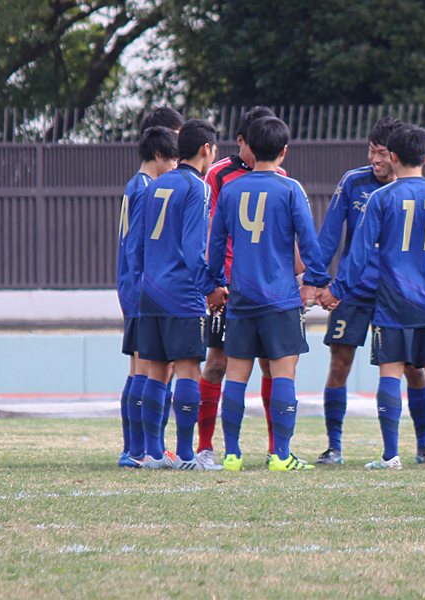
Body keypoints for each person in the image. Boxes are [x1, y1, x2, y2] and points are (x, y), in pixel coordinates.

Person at [319, 125, 425, 470]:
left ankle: (391, 455)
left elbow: (358, 254)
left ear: (396, 157)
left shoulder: (381, 198)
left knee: (390, 373)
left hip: (392, 299)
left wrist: (335, 289)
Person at [208, 116, 330, 471]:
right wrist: (318, 280)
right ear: (283, 150)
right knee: (283, 376)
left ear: (249, 147)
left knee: (235, 377)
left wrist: (214, 283)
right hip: (280, 298)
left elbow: (216, 244)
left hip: (241, 297)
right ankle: (280, 455)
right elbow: (308, 242)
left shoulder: (230, 190)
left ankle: (231, 455)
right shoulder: (290, 189)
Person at [196, 106, 299, 469]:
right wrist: (215, 283)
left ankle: (276, 449)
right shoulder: (219, 175)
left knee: (272, 367)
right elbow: (209, 232)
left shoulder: (281, 177)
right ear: (241, 141)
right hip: (229, 288)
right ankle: (206, 446)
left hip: (268, 289)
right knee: (217, 363)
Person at [138, 118, 228, 470]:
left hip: (151, 290)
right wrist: (210, 287)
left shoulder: (155, 184)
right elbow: (194, 248)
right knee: (189, 369)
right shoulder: (198, 187)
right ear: (207, 149)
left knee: (156, 372)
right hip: (181, 293)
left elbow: (142, 242)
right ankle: (188, 456)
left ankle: (153, 454)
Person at [116, 126, 178, 468]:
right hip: (140, 288)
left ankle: (135, 449)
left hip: (131, 285)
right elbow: (138, 244)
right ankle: (138, 451)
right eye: (171, 160)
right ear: (158, 156)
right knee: (146, 368)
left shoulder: (133, 185)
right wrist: (147, 287)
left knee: (139, 368)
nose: (174, 167)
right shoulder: (145, 188)